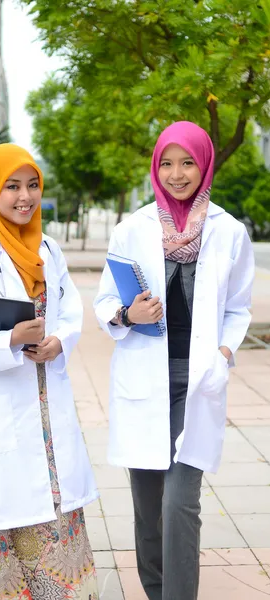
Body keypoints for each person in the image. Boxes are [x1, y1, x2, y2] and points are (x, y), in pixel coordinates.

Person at [94, 121, 255, 600]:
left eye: (188, 162)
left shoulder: (228, 232)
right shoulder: (131, 229)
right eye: (167, 162)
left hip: (197, 380)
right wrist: (128, 313)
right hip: (145, 379)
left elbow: (238, 307)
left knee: (180, 501)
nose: (177, 173)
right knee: (147, 506)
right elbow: (105, 303)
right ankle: (156, 590)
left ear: (204, 165)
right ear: (155, 167)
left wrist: (225, 352)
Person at [0, 143, 99, 600]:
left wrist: (58, 342)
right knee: (10, 562)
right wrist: (8, 341)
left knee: (62, 571)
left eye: (32, 185)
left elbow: (70, 313)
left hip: (49, 426)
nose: (24, 196)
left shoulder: (49, 250)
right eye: (12, 186)